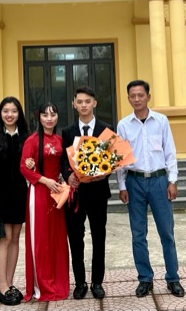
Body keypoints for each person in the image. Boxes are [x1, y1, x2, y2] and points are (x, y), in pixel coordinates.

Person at [117, 80, 185, 298]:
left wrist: (172, 181)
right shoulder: (123, 125)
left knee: (167, 232)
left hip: (159, 181)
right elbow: (120, 158)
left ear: (148, 96)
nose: (137, 99)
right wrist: (122, 185)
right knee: (138, 234)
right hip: (134, 182)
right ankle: (145, 279)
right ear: (128, 99)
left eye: (140, 95)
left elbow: (170, 152)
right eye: (132, 96)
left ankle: (173, 278)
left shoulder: (161, 121)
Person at [61, 86, 113, 300]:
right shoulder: (67, 131)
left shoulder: (106, 130)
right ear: (74, 104)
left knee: (99, 237)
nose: (84, 105)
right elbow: (64, 161)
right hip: (76, 194)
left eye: (87, 101)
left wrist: (106, 172)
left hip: (98, 192)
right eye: (80, 101)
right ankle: (80, 282)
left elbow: (113, 159)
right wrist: (68, 176)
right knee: (75, 239)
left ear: (94, 103)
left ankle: (97, 282)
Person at [20, 102, 70, 302]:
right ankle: (41, 286)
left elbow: (65, 165)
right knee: (41, 240)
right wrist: (44, 180)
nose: (49, 118)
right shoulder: (32, 141)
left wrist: (63, 181)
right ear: (39, 118)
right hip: (39, 193)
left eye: (53, 114)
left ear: (57, 117)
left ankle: (59, 283)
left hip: (56, 194)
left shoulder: (59, 140)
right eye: (45, 115)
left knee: (57, 239)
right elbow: (24, 168)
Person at [0, 96, 30, 306]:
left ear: (19, 114)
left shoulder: (26, 137)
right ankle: (2, 286)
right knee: (5, 238)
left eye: (14, 111)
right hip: (0, 194)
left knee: (16, 238)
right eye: (6, 111)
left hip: (20, 192)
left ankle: (10, 284)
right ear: (0, 114)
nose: (10, 115)